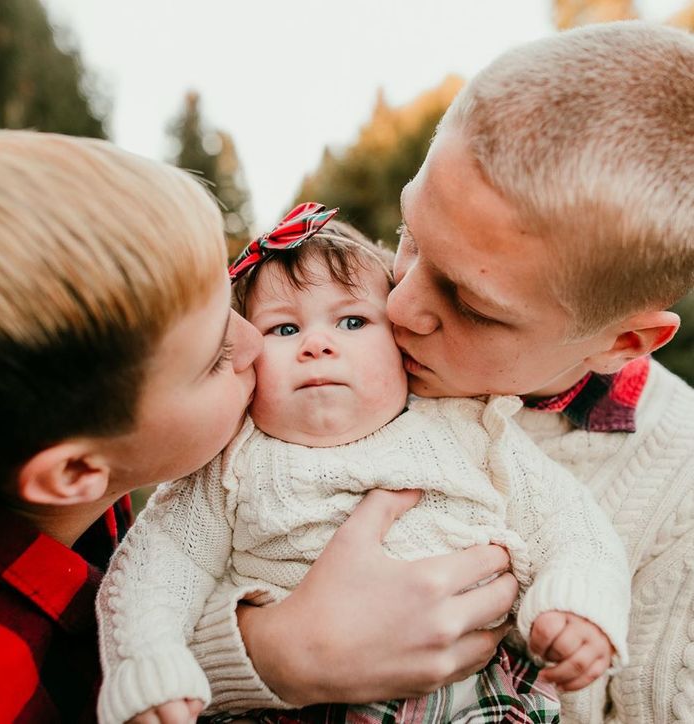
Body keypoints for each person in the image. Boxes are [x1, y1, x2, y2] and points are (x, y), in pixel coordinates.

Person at [206, 20, 693, 724]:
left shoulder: (677, 485)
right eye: (408, 236)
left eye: (469, 302)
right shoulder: (307, 361)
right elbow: (127, 618)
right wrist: (274, 655)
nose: (399, 305)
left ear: (623, 342)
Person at [0, 131, 517, 722]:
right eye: (211, 360)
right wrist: (284, 656)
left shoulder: (94, 494)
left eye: (232, 312)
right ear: (75, 470)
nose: (253, 341)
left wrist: (250, 655)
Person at [96, 210, 629, 724]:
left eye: (352, 321)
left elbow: (570, 522)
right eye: (283, 330)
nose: (317, 345)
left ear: (400, 345)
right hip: (278, 709)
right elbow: (158, 564)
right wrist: (149, 662)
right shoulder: (231, 459)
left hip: (474, 702)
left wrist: (577, 603)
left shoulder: (467, 426)